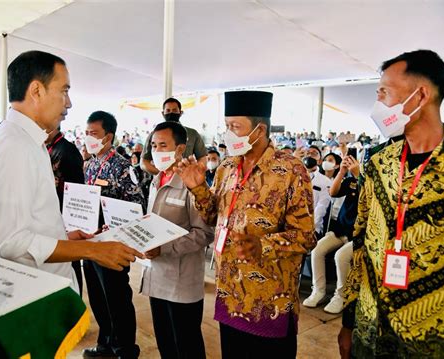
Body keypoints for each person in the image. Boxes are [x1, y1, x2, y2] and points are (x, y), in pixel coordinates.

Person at [0, 51, 143, 292]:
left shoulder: (25, 140)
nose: (68, 103)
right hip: (36, 297)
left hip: (42, 288)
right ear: (36, 91)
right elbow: (12, 242)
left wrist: (63, 238)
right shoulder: (15, 145)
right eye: (64, 91)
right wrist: (93, 250)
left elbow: (30, 222)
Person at [175, 91, 316, 358]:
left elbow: (306, 236)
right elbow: (213, 216)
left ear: (259, 130)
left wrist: (263, 245)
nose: (228, 133)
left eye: (235, 127)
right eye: (226, 126)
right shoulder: (226, 168)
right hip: (230, 292)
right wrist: (198, 189)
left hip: (270, 299)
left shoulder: (290, 170)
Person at [339, 49, 444, 358]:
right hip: (369, 331)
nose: (378, 105)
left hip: (430, 340)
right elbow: (359, 240)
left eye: (384, 93)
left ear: (420, 95)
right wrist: (349, 321)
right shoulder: (378, 163)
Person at [140, 121, 214, 359]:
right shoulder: (157, 180)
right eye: (153, 145)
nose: (156, 151)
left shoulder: (193, 185)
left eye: (163, 145)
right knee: (165, 342)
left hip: (181, 282)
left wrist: (165, 248)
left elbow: (204, 233)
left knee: (187, 345)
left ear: (180, 149)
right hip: (156, 275)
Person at [83, 110, 145, 359]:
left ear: (108, 136)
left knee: (117, 298)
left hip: (113, 244)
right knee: (98, 296)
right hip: (89, 241)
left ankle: (125, 349)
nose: (89, 138)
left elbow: (136, 205)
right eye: (87, 133)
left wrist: (112, 226)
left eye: (94, 133)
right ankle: (105, 343)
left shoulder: (121, 167)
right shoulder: (90, 164)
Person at [303, 154, 360, 313]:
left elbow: (369, 194)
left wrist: (359, 175)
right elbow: (333, 192)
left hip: (359, 233)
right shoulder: (351, 181)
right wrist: (342, 172)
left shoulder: (371, 182)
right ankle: (318, 291)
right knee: (317, 250)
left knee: (341, 256)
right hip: (341, 228)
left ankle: (341, 296)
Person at [46, 124, 85, 295]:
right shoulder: (46, 147)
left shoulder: (67, 150)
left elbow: (76, 187)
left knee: (70, 261)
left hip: (66, 214)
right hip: (51, 213)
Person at [140, 98, 207, 175]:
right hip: (162, 182)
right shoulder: (154, 135)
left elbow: (202, 157)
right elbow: (144, 162)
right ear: (163, 113)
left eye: (174, 110)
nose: (171, 113)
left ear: (180, 113)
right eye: (168, 110)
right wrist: (163, 174)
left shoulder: (192, 134)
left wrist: (195, 172)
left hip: (186, 180)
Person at [302, 146, 332, 238]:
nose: (310, 155)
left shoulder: (325, 181)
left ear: (319, 161)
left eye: (314, 153)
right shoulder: (294, 176)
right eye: (307, 153)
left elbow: (321, 207)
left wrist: (310, 227)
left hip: (312, 228)